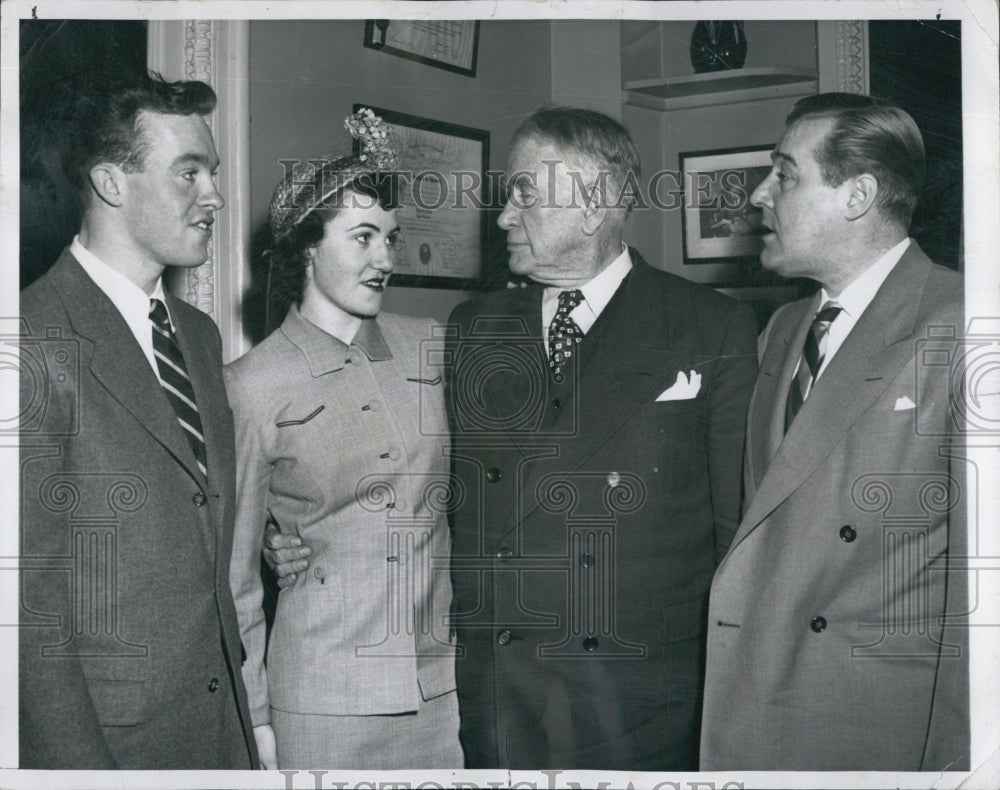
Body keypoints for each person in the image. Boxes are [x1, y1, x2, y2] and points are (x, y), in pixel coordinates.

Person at [270, 106, 758, 769]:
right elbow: (413, 475)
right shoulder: (474, 329)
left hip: (637, 704)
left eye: (523, 194)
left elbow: (740, 537)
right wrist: (291, 530)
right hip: (495, 700)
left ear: (591, 205)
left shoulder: (712, 328)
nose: (502, 219)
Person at [700, 93, 969, 770]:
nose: (760, 196)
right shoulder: (783, 329)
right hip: (757, 701)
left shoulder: (963, 324)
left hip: (873, 730)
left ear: (858, 196)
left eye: (784, 175)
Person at [18, 71, 257, 768]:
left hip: (219, 730)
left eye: (212, 171)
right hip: (112, 748)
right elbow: (29, 610)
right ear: (112, 183)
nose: (214, 195)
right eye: (189, 173)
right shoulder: (30, 343)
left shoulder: (200, 336)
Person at [225, 114, 461, 770]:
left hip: (439, 691)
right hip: (320, 699)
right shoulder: (251, 385)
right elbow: (236, 576)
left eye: (390, 237)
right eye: (362, 237)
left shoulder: (431, 347)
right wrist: (258, 721)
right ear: (308, 249)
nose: (386, 258)